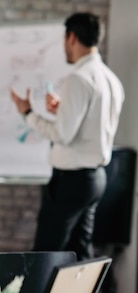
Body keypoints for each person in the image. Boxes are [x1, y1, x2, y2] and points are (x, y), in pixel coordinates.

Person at [10, 12, 124, 260]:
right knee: (79, 254)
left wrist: (27, 112)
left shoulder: (79, 78)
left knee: (45, 253)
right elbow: (90, 125)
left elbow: (62, 134)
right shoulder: (111, 80)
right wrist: (63, 110)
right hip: (95, 178)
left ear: (71, 37)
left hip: (71, 182)